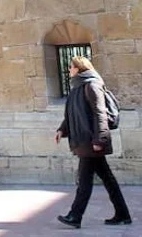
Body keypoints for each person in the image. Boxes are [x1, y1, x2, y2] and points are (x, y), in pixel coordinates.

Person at [55, 56, 131, 228]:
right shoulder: (76, 88)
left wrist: (100, 140)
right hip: (84, 140)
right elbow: (71, 114)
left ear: (79, 69)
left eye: (71, 67)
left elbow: (99, 114)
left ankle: (75, 215)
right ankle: (122, 213)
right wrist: (61, 130)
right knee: (107, 178)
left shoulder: (92, 85)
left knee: (84, 180)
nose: (69, 70)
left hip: (90, 141)